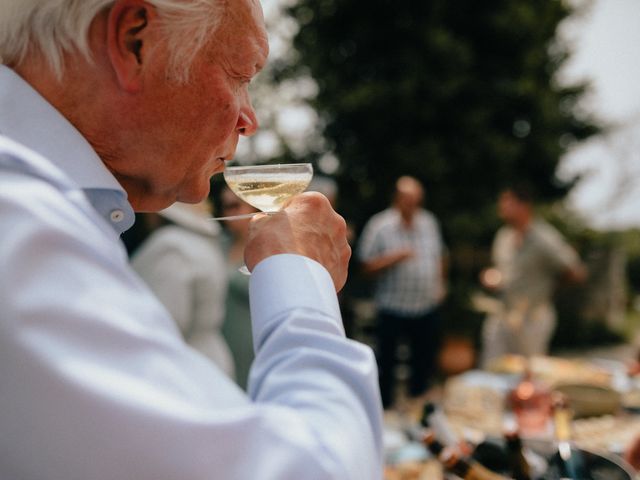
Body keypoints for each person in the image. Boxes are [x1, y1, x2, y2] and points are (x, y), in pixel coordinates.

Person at [0, 1, 383, 478]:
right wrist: (301, 280)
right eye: (240, 74)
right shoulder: (18, 224)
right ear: (134, 41)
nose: (249, 119)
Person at [357, 176, 448, 409]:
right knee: (386, 364)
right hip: (392, 306)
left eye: (417, 201)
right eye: (409, 201)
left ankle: (418, 411)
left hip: (424, 305)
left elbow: (440, 256)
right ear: (398, 199)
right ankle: (384, 410)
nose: (413, 206)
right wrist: (394, 258)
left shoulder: (429, 222)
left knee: (423, 362)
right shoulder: (380, 225)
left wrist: (440, 284)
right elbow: (365, 265)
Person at [480, 185, 587, 367]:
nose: (502, 209)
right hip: (503, 313)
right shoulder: (503, 236)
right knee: (492, 366)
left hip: (532, 319)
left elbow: (575, 271)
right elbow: (503, 269)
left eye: (508, 204)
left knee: (528, 372)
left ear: (524, 206)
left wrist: (550, 287)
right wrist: (492, 277)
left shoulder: (544, 238)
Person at [131, 200, 235, 379]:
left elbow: (166, 319)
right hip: (210, 357)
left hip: (185, 362)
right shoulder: (205, 243)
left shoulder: (171, 246)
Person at [218, 186, 258, 390]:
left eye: (236, 206)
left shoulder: (266, 247)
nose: (229, 214)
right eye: (226, 207)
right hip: (219, 341)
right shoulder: (217, 244)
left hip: (252, 344)